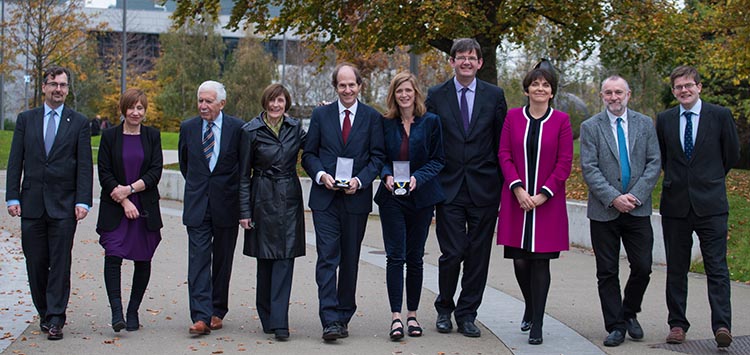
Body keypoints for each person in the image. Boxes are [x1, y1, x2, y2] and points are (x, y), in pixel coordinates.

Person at [425, 38, 507, 338]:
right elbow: (429, 140)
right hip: (448, 187)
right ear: (452, 62)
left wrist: (503, 183)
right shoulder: (436, 96)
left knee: (478, 254)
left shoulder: (494, 96)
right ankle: (444, 308)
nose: (466, 62)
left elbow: (502, 144)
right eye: (461, 57)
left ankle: (468, 313)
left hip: (484, 187)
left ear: (480, 63)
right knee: (453, 252)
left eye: (472, 58)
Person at [5, 66, 93, 340]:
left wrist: (83, 201)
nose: (58, 89)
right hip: (31, 204)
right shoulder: (26, 120)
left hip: (64, 206)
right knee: (36, 261)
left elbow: (84, 166)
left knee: (60, 261)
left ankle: (56, 317)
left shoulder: (78, 122)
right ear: (44, 87)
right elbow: (15, 160)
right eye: (54, 84)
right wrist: (12, 196)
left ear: (68, 89)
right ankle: (44, 311)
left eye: (63, 85)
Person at [656, 65, 740, 348]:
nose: (684, 90)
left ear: (699, 87)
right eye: (678, 87)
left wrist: (710, 180)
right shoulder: (665, 119)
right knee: (676, 269)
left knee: (717, 268)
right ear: (673, 91)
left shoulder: (720, 116)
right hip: (676, 205)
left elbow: (731, 154)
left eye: (689, 85)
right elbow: (664, 158)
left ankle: (722, 325)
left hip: (711, 204)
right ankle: (677, 324)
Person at [301, 62, 385, 341]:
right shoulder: (321, 115)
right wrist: (322, 175)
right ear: (335, 87)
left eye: (352, 85)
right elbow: (308, 155)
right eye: (342, 85)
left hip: (355, 200)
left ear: (360, 86)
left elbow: (377, 158)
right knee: (327, 258)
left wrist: (359, 181)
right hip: (325, 199)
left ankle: (344, 314)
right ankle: (329, 318)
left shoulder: (372, 118)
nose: (347, 89)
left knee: (349, 260)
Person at [580, 76, 661, 347]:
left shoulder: (645, 124)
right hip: (604, 211)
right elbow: (589, 168)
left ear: (629, 94)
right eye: (608, 93)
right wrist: (614, 198)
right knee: (607, 271)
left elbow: (653, 163)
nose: (614, 97)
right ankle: (615, 325)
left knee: (643, 266)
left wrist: (635, 196)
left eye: (619, 92)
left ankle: (629, 312)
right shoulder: (591, 127)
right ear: (602, 96)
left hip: (638, 210)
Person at [496, 68, 573, 345]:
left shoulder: (561, 120)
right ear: (527, 89)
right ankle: (530, 303)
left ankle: (537, 321)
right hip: (517, 200)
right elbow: (504, 153)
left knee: (540, 261)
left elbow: (564, 162)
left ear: (552, 92)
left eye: (545, 85)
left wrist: (543, 194)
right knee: (520, 260)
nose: (540, 89)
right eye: (535, 84)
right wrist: (517, 188)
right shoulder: (513, 117)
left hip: (547, 204)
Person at [374, 72, 445, 340]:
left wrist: (418, 178)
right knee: (395, 256)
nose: (404, 95)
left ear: (416, 93)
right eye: (399, 91)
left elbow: (439, 160)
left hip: (421, 198)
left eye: (409, 90)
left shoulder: (431, 123)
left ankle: (412, 315)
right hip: (392, 198)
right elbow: (378, 156)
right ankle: (395, 318)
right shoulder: (386, 123)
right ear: (394, 95)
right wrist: (386, 175)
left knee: (415, 257)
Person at [238, 84, 306, 341]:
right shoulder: (250, 131)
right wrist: (244, 210)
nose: (276, 105)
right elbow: (243, 174)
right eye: (271, 101)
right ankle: (266, 314)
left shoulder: (295, 128)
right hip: (261, 196)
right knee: (265, 259)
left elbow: (315, 144)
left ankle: (280, 322)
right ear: (264, 102)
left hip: (288, 196)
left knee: (285, 259)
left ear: (286, 103)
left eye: (280, 101)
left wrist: (324, 115)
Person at [178, 80, 244, 335]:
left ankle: (217, 310)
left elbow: (242, 166)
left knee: (222, 261)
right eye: (200, 101)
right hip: (197, 205)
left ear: (222, 103)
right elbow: (186, 165)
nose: (203, 106)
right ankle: (200, 316)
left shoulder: (238, 129)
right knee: (198, 261)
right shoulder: (188, 128)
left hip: (226, 205)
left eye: (208, 101)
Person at [96, 88, 163, 333]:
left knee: (143, 259)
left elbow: (155, 171)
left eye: (140, 108)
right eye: (131, 107)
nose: (135, 112)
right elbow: (104, 171)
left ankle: (133, 309)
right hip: (115, 209)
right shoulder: (110, 136)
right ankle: (117, 310)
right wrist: (123, 199)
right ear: (123, 109)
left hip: (145, 208)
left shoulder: (152, 136)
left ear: (145, 111)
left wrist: (130, 189)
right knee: (113, 256)